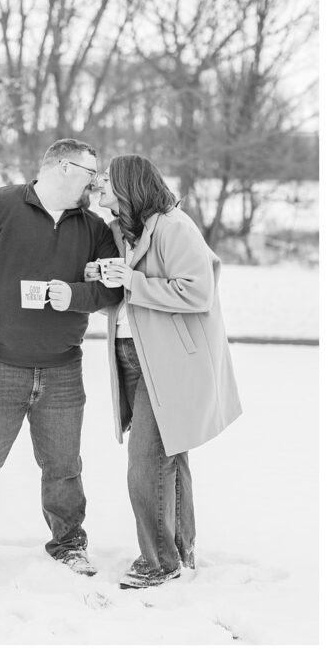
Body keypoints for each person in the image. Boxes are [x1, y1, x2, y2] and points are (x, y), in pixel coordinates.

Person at [0, 139, 124, 577]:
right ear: (61, 167)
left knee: (63, 466)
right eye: (90, 173)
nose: (95, 183)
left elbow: (112, 288)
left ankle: (68, 544)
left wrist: (74, 296)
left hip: (62, 368)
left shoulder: (94, 229)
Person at [79, 154, 241, 589]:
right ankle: (181, 550)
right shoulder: (122, 229)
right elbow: (127, 285)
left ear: (130, 185)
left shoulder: (174, 226)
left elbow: (197, 292)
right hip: (131, 353)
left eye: (108, 181)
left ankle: (158, 562)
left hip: (169, 359)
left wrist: (131, 281)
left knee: (147, 461)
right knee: (170, 452)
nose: (100, 188)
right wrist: (106, 273)